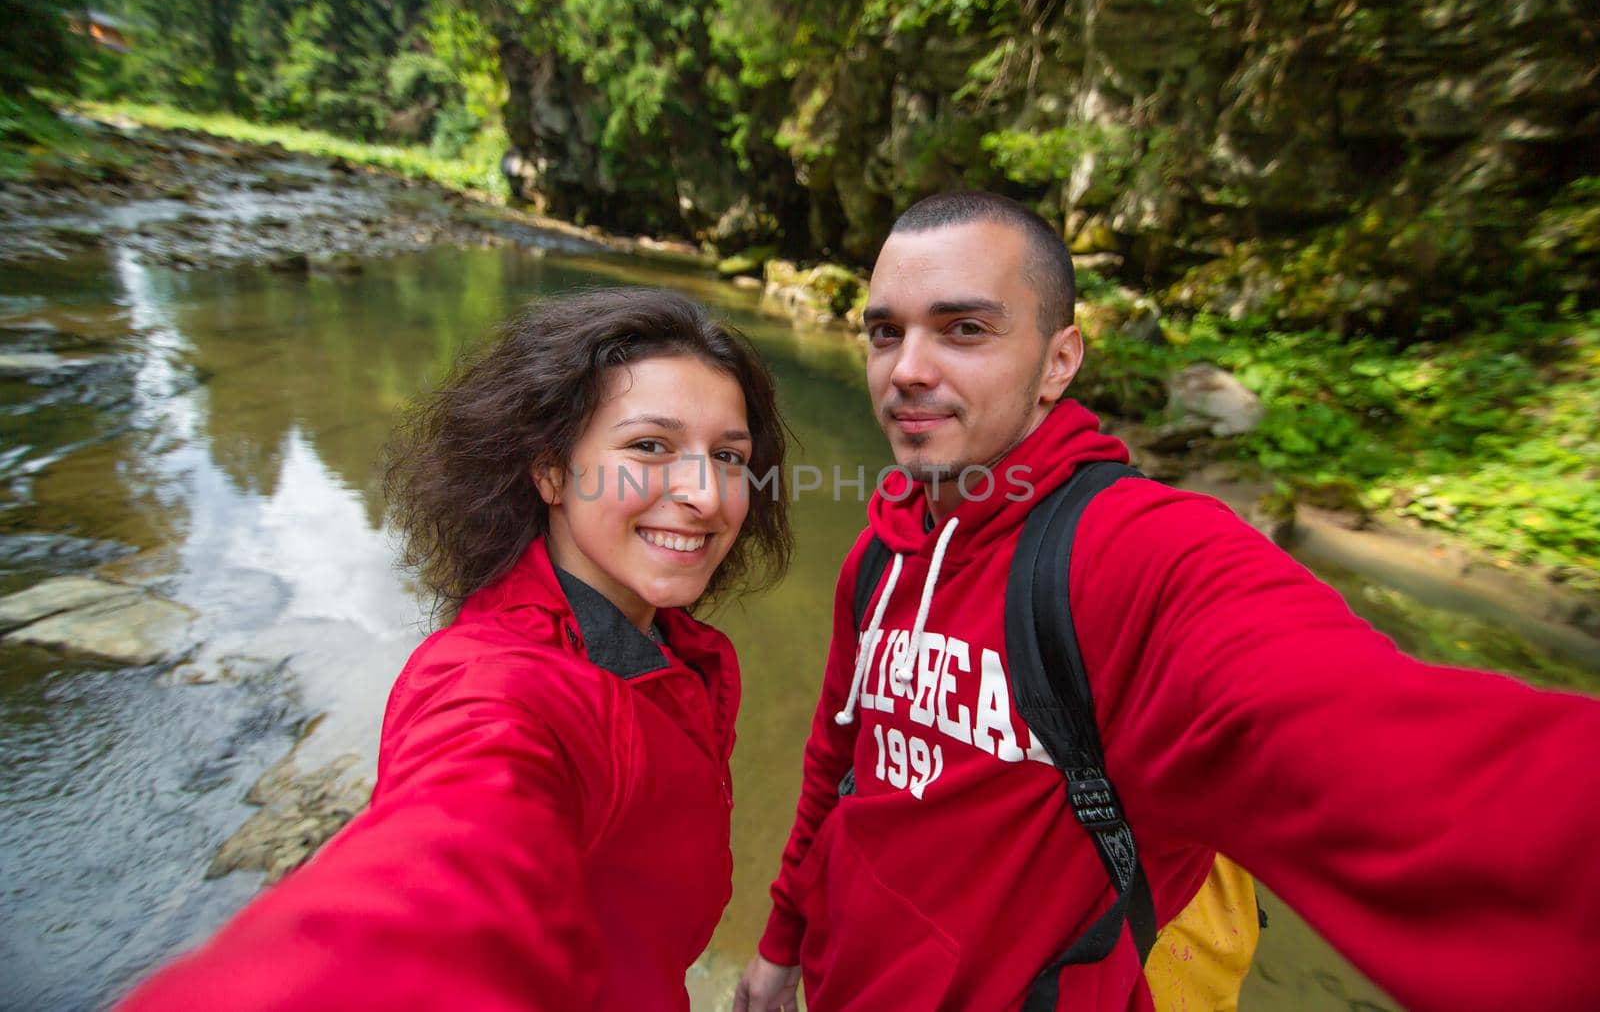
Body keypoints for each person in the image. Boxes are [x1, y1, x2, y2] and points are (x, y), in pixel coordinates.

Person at [734, 192, 1600, 1012]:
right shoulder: (882, 553)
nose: (907, 371)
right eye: (885, 332)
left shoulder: (1134, 556)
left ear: (1058, 361)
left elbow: (1389, 752)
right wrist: (780, 944)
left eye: (964, 329)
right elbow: (836, 759)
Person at [119, 287, 792, 1011]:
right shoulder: (495, 688)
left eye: (728, 456)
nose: (705, 493)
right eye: (649, 446)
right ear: (551, 471)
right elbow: (435, 891)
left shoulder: (676, 654)